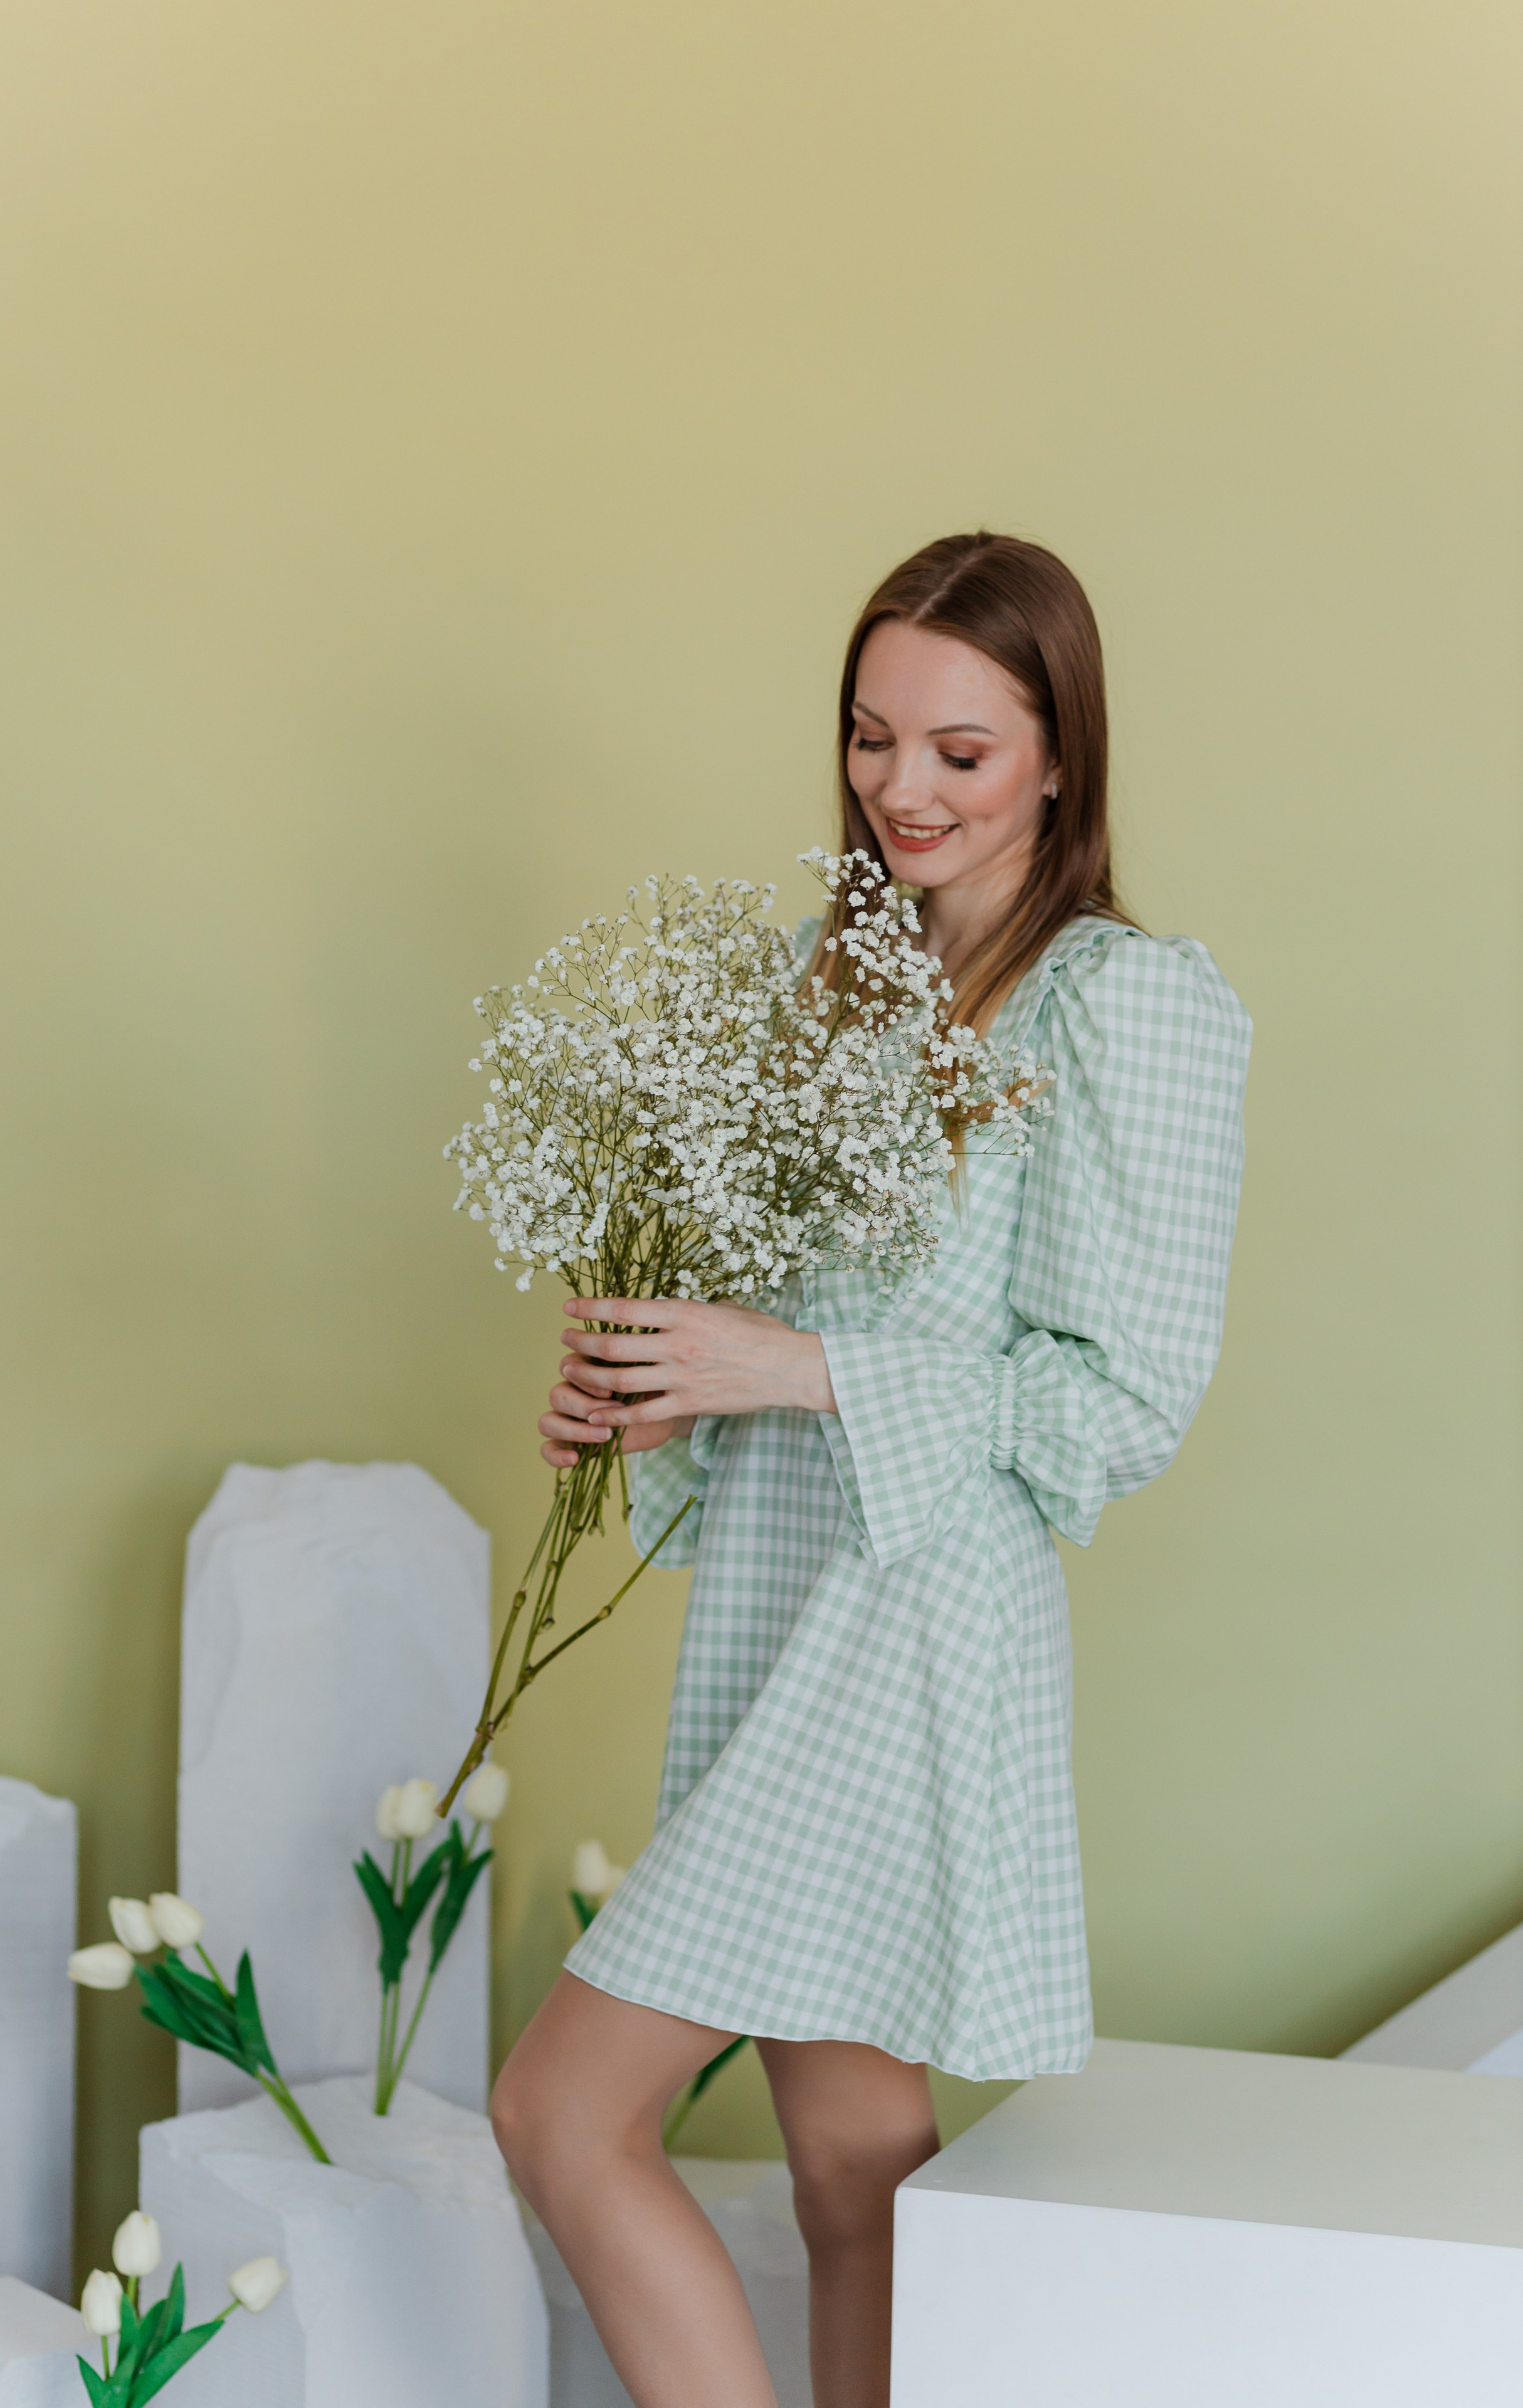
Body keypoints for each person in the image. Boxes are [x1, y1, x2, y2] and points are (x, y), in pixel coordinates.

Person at [492, 531, 1252, 2408]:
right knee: (853, 2171)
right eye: (869, 738)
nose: (900, 789)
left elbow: (1111, 1404)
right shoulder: (836, 1006)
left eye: (961, 754)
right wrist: (666, 1393)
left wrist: (794, 1363)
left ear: (1061, 756)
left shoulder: (1118, 1010)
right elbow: (786, 1360)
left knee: (561, 2115)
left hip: (909, 1643)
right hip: (783, 1607)